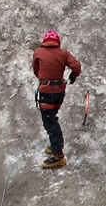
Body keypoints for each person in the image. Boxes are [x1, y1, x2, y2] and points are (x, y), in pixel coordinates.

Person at [32, 29, 82, 169]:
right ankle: (56, 145)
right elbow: (76, 66)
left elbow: (36, 70)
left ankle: (58, 156)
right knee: (53, 118)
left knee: (50, 123)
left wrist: (43, 81)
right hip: (59, 92)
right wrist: (73, 76)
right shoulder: (63, 53)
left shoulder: (38, 52)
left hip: (46, 92)